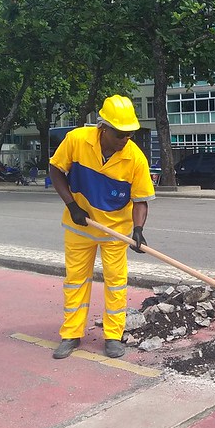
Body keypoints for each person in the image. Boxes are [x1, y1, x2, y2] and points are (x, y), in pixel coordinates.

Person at [48, 95, 154, 359]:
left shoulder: (135, 159)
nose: (125, 139)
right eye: (120, 134)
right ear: (103, 128)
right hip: (80, 227)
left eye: (129, 134)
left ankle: (113, 336)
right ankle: (71, 334)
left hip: (114, 232)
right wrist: (72, 205)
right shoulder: (77, 140)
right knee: (75, 282)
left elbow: (141, 200)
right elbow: (55, 169)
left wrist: (138, 230)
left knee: (116, 284)